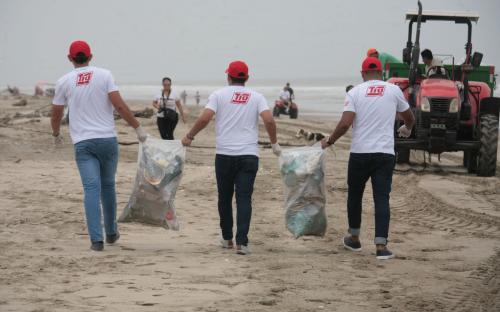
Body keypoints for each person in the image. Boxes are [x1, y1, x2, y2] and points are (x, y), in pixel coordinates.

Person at [50, 40, 149, 251]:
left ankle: (97, 241)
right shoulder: (104, 75)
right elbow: (119, 106)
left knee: (91, 189)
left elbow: (56, 112)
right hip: (107, 141)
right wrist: (138, 128)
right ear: (91, 56)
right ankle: (111, 233)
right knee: (108, 187)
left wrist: (56, 133)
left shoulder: (64, 81)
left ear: (69, 58)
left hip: (83, 143)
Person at [181, 60, 281, 255]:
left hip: (225, 155)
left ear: (228, 77)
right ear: (247, 78)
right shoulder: (257, 97)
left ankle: (227, 238)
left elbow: (204, 118)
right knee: (244, 198)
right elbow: (269, 120)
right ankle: (242, 242)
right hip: (249, 156)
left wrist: (189, 136)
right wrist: (274, 143)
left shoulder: (219, 95)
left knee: (225, 198)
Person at [321, 57, 415, 260]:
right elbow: (409, 117)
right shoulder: (393, 90)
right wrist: (407, 129)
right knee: (381, 198)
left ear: (362, 74)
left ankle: (354, 239)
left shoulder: (354, 92)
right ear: (381, 73)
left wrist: (329, 141)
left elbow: (346, 124)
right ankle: (381, 246)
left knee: (355, 195)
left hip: (360, 153)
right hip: (384, 154)